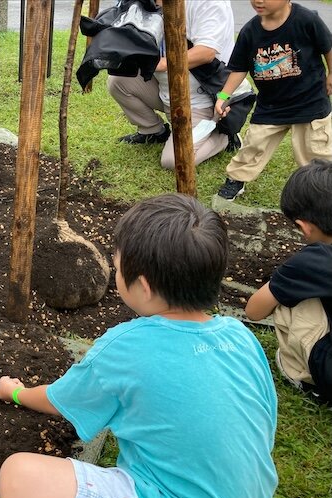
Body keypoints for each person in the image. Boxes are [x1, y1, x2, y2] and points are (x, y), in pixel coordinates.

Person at [0, 194, 278, 498]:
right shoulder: (240, 336)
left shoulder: (126, 347)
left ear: (143, 286)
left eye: (117, 268)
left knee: (19, 478)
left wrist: (15, 392)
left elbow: (59, 400)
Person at [215, 0, 332, 200]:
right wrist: (223, 96)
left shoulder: (306, 19)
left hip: (310, 103)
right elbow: (239, 68)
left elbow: (328, 47)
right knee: (254, 145)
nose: (258, 1)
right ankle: (236, 179)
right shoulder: (249, 31)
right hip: (271, 106)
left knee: (316, 152)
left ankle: (322, 189)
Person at [107, 0, 235, 170]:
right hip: (166, 90)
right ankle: (153, 131)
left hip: (202, 100)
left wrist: (161, 64)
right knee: (119, 81)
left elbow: (206, 52)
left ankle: (223, 135)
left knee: (174, 161)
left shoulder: (209, 2)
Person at [246, 160, 332, 403]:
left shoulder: (312, 262)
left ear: (304, 227)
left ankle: (299, 372)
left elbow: (254, 311)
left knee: (287, 300)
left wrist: (284, 279)